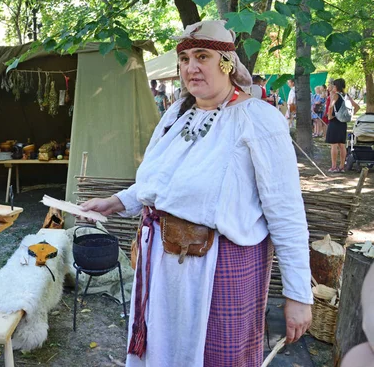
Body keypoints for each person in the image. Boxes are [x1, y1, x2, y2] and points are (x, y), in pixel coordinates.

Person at [81, 20, 312, 367]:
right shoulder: (176, 114)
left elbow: (287, 212)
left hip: (220, 267)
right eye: (185, 58)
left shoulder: (258, 120)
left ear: (227, 63)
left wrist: (298, 294)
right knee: (162, 351)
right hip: (162, 260)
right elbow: (159, 180)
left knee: (218, 357)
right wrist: (117, 202)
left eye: (202, 56)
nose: (191, 67)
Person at [325, 78, 360, 172]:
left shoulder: (336, 95)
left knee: (334, 145)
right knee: (342, 145)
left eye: (334, 85)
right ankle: (341, 166)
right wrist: (350, 115)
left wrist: (329, 116)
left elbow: (331, 106)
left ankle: (333, 166)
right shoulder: (346, 95)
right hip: (343, 123)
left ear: (337, 86)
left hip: (335, 122)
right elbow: (357, 107)